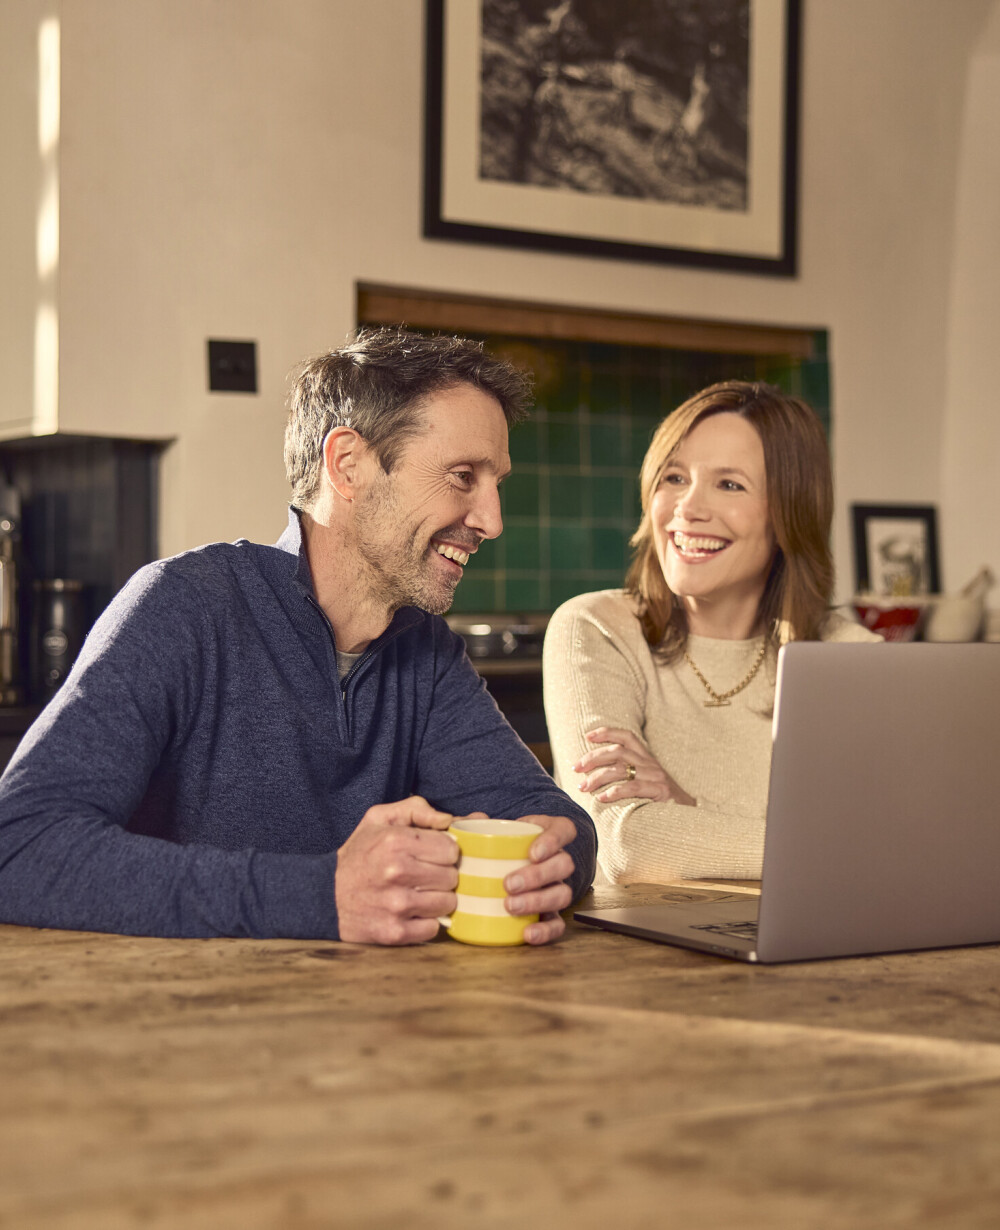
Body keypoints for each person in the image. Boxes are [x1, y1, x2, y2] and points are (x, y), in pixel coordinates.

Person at [0, 328, 596, 943]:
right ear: (348, 464)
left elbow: (555, 819)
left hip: (369, 1021)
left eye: (497, 483)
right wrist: (324, 894)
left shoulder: (427, 652)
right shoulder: (184, 606)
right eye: (462, 475)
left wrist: (553, 862)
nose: (491, 521)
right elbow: (19, 846)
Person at [542, 380, 879, 886]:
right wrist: (817, 848)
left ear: (790, 510)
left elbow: (887, 846)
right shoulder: (596, 628)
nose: (687, 509)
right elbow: (624, 845)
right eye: (674, 477)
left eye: (730, 484)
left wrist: (688, 805)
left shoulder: (852, 658)